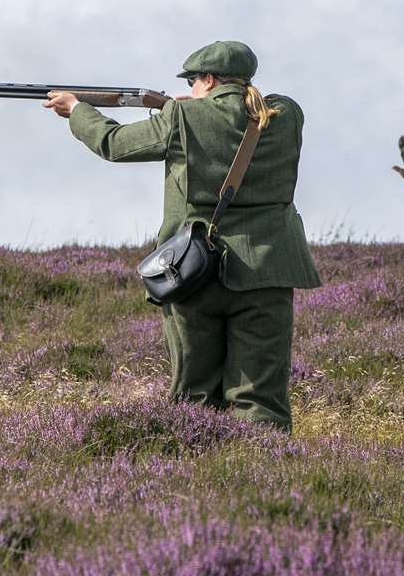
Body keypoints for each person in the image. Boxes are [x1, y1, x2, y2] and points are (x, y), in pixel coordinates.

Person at [43, 40, 320, 431]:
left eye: (193, 81)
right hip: (270, 269)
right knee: (261, 398)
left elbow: (114, 144)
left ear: (207, 79)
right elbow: (236, 114)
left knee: (195, 396)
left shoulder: (181, 118)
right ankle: (265, 472)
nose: (189, 88)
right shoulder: (285, 114)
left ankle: (201, 475)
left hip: (194, 270)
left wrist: (78, 110)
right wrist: (183, 107)